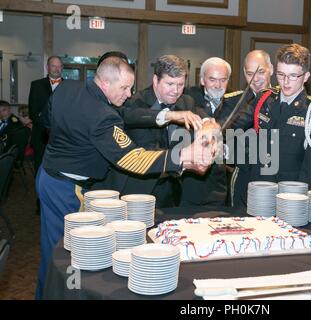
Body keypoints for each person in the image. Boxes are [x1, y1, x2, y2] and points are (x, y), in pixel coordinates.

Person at [35, 56, 216, 299]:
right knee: (65, 255)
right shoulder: (101, 116)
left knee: (55, 250)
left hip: (48, 175)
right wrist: (182, 156)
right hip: (66, 187)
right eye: (124, 88)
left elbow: (46, 120)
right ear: (105, 83)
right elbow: (133, 159)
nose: (129, 94)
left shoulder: (66, 88)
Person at [94, 54, 203, 208]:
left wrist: (207, 125)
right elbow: (134, 125)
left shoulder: (187, 101)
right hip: (139, 189)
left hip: (172, 189)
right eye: (170, 84)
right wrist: (170, 116)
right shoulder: (134, 101)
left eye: (180, 84)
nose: (176, 91)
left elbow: (198, 122)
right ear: (155, 80)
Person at [228, 43, 311, 189]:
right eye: (281, 75)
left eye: (293, 76)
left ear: (306, 76)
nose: (286, 82)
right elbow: (233, 126)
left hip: (288, 193)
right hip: (257, 188)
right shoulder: (265, 98)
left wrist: (297, 200)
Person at [181, 57, 234, 206]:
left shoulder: (233, 103)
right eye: (212, 79)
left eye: (223, 80)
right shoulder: (187, 99)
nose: (218, 85)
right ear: (202, 80)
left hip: (219, 186)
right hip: (189, 186)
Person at [226, 50, 274, 208]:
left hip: (275, 175)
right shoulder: (234, 101)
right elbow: (226, 134)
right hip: (244, 173)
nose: (256, 79)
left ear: (271, 70)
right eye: (250, 73)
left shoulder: (283, 99)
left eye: (261, 72)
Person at [28, 56, 64, 174]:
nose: (56, 69)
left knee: (60, 167)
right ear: (47, 67)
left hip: (63, 136)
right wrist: (47, 127)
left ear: (62, 68)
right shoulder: (36, 85)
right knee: (40, 166)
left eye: (59, 66)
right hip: (41, 135)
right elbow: (33, 112)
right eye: (53, 66)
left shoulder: (69, 85)